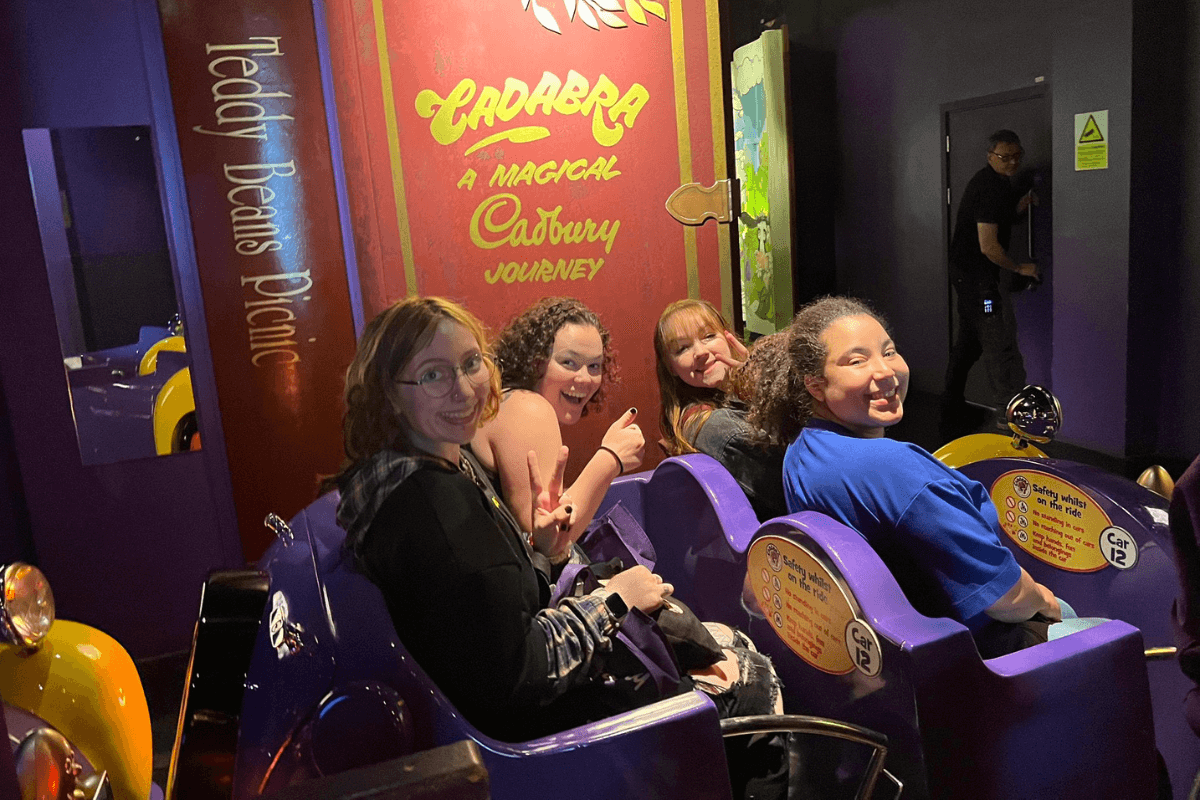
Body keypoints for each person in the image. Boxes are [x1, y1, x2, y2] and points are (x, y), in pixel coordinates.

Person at [329, 297, 786, 798]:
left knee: (718, 641)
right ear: (389, 394)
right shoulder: (438, 506)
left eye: (470, 364)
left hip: (489, 711)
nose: (463, 389)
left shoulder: (421, 466)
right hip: (525, 747)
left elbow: (500, 593)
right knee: (749, 679)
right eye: (434, 375)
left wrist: (542, 548)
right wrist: (617, 598)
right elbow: (522, 673)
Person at [748, 296, 1094, 658]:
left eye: (889, 351)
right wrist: (1047, 602)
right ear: (815, 385)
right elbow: (1006, 598)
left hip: (890, 651)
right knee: (1107, 629)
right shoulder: (896, 468)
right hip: (975, 656)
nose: (885, 371)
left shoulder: (801, 452)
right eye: (856, 360)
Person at [471, 297, 644, 550]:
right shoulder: (529, 408)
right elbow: (548, 540)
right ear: (535, 361)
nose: (585, 379)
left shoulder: (508, 400)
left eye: (594, 366)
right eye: (568, 362)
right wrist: (611, 458)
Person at [654, 299, 787, 520]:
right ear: (671, 368)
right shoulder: (712, 426)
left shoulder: (738, 396)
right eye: (682, 348)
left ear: (727, 337)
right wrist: (771, 394)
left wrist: (759, 387)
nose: (701, 352)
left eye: (708, 336)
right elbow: (802, 483)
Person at [944, 129, 1039, 429]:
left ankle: (951, 404)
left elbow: (998, 218)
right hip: (978, 282)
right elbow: (988, 245)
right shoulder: (988, 188)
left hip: (967, 277)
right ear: (990, 157)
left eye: (1016, 156)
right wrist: (1019, 268)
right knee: (997, 340)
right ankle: (1006, 416)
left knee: (970, 343)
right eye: (1004, 157)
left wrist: (1018, 209)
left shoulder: (998, 184)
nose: (1012, 162)